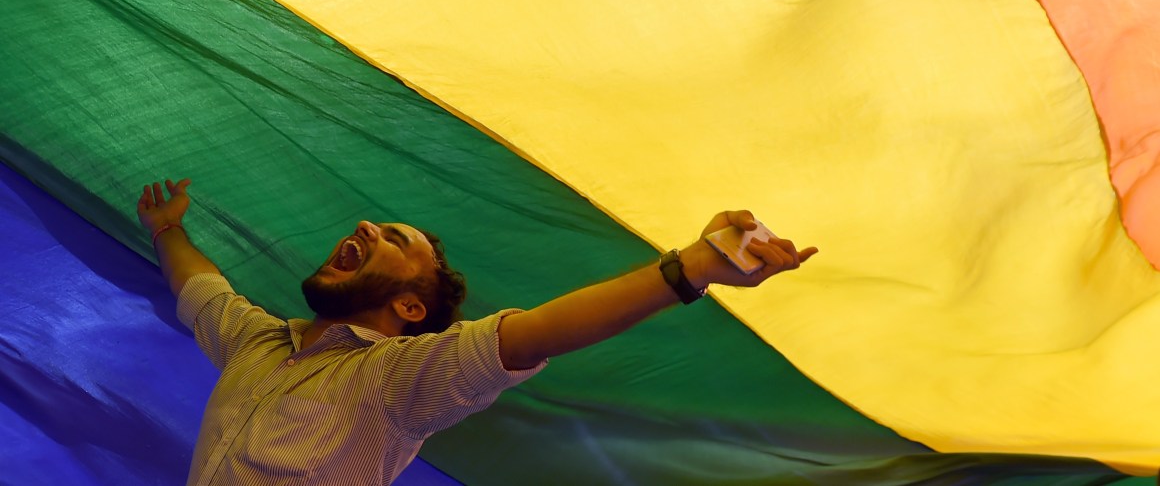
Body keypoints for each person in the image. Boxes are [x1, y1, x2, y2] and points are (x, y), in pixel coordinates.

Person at [138, 177, 817, 485]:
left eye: (394, 238)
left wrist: (695, 266)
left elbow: (538, 334)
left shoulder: (398, 380)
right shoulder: (256, 342)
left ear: (409, 308)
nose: (364, 227)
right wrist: (168, 229)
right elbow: (201, 288)